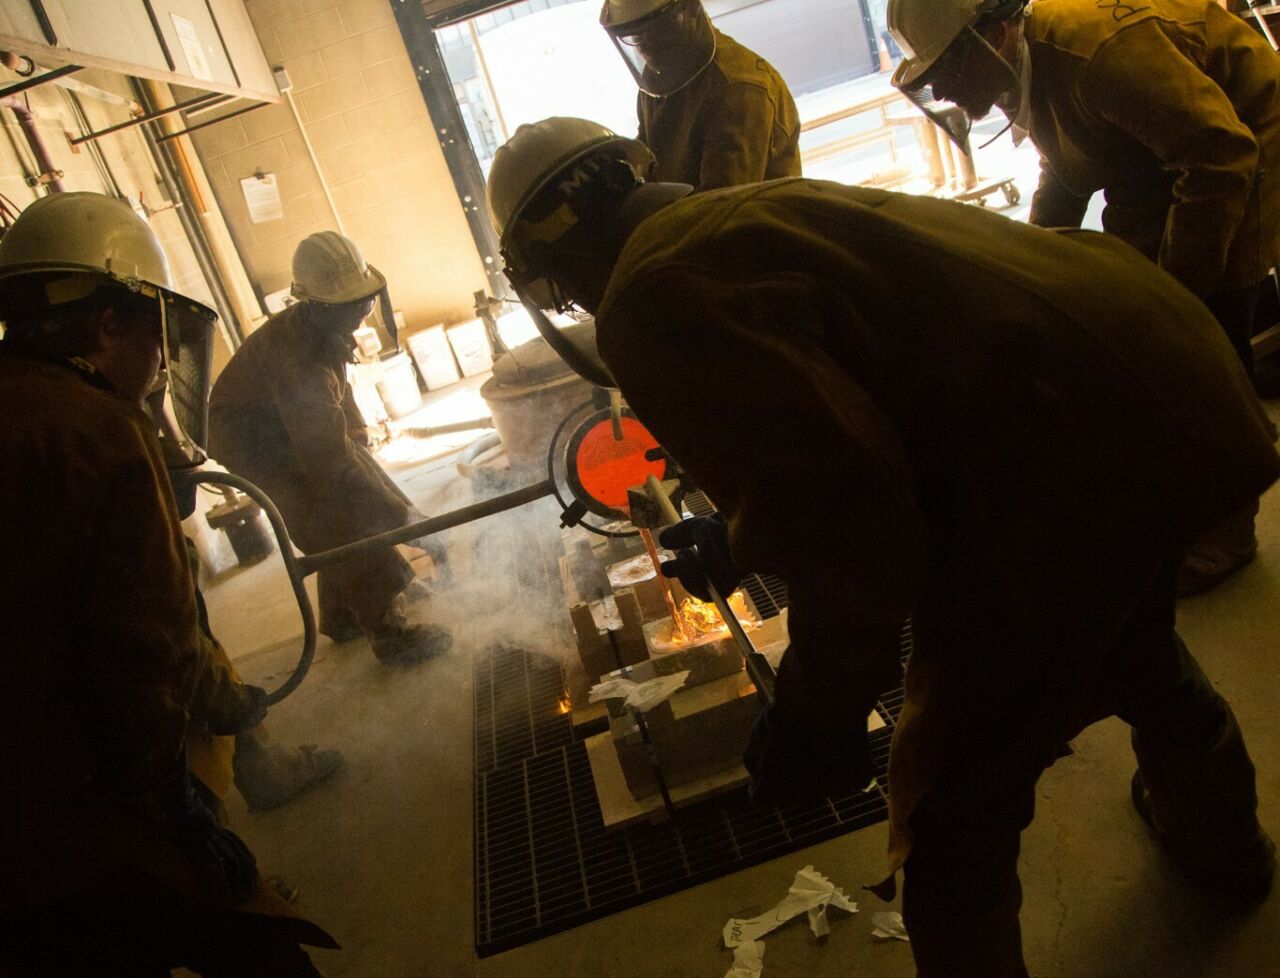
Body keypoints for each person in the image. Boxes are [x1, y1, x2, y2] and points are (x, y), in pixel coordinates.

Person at [484, 117, 1279, 978]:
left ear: (553, 270)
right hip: (1153, 382)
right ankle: (1224, 846)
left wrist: (815, 714)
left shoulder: (647, 296)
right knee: (1129, 643)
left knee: (949, 812)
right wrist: (747, 534)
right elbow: (868, 400)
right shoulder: (746, 214)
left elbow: (858, 536)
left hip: (1064, 454)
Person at [0, 191, 336, 975]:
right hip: (80, 808)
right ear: (108, 324)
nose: (159, 357)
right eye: (152, 330)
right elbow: (144, 649)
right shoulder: (99, 430)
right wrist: (175, 811)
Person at [887, 0, 1280, 593]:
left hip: (1249, 140)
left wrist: (1173, 301)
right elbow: (1067, 171)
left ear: (992, 34)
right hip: (1161, 162)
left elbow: (1220, 155)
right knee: (1133, 314)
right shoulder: (1032, 66)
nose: (940, 86)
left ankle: (1228, 524)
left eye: (944, 66)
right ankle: (1182, 490)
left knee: (1198, 343)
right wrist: (1025, 270)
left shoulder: (1095, 56)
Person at [207, 232, 451, 666]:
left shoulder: (321, 328)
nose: (361, 312)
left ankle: (342, 617)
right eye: (350, 305)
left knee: (352, 484)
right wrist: (408, 523)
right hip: (253, 443)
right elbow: (331, 465)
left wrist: (363, 449)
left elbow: (340, 418)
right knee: (338, 518)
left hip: (279, 422)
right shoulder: (297, 357)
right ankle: (391, 638)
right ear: (316, 303)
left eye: (366, 301)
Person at [601, 0, 802, 189]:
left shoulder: (739, 91)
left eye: (658, 30)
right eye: (635, 36)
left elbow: (722, 207)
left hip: (748, 223)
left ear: (692, 6)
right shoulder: (662, 75)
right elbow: (649, 160)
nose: (646, 46)